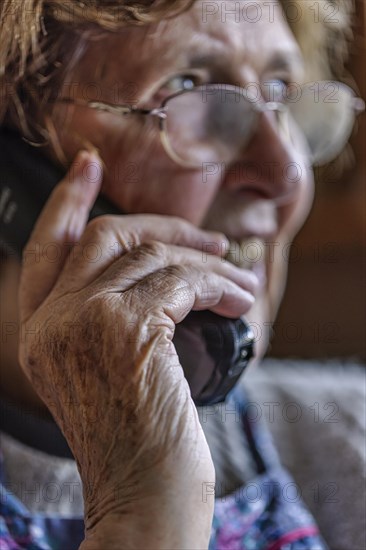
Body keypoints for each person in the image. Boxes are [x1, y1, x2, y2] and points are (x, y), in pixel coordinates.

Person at [0, 0, 363, 548]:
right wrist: (143, 519)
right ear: (16, 176)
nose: (285, 173)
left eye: (281, 93)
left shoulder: (350, 439)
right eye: (189, 90)